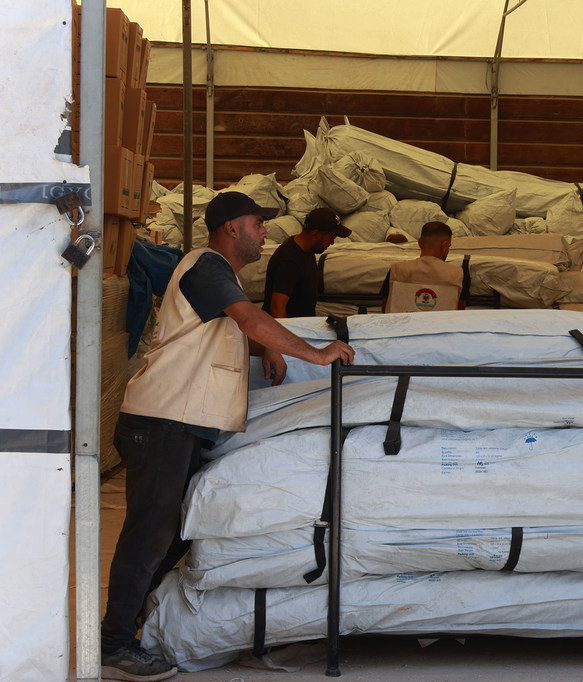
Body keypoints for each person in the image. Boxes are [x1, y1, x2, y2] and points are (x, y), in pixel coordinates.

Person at [100, 191, 356, 681]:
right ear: (232, 227)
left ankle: (128, 623)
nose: (265, 233)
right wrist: (316, 354)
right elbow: (249, 317)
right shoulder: (207, 266)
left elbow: (234, 329)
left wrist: (265, 350)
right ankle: (113, 645)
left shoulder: (219, 275)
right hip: (161, 422)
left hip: (181, 423)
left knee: (174, 534)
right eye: (259, 223)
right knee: (148, 537)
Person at [262, 207, 351, 318]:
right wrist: (286, 335)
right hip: (290, 330)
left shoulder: (306, 250)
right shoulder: (289, 260)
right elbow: (277, 308)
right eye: (331, 238)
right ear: (315, 235)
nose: (332, 243)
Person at [380, 221, 469, 312]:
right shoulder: (459, 274)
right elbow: (459, 312)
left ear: (419, 243)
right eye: (449, 246)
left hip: (401, 326)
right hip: (441, 326)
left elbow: (385, 309)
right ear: (444, 245)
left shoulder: (396, 270)